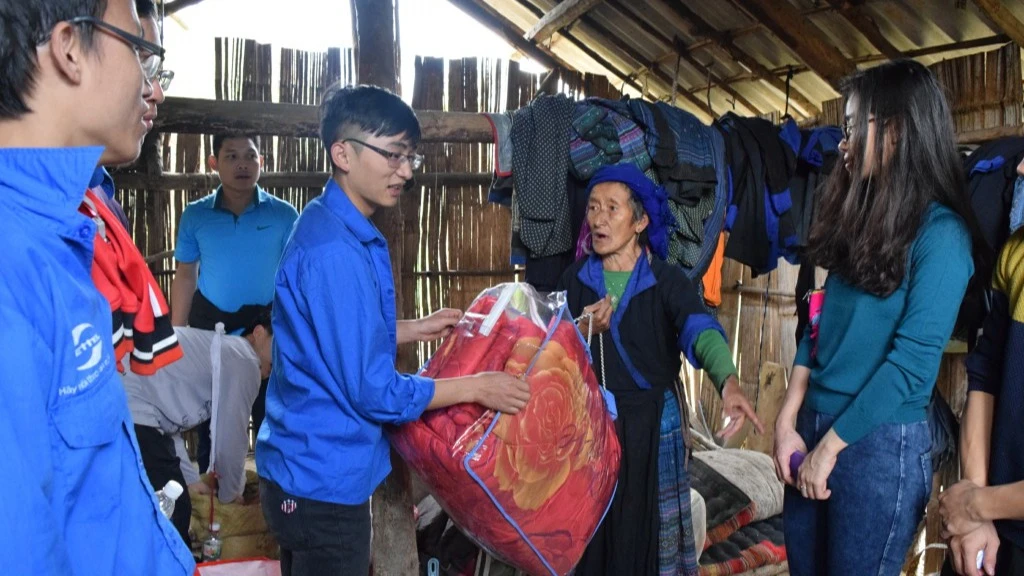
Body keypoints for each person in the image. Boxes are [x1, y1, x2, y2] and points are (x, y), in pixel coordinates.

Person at [255, 84, 531, 576]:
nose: (404, 171)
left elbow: (333, 336)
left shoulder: (327, 223)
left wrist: (411, 328)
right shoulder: (335, 251)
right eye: (393, 155)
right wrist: (478, 387)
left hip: (302, 468)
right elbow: (374, 392)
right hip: (321, 478)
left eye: (410, 158)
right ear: (342, 152)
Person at [0, 0, 194, 574]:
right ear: (68, 49)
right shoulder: (15, 264)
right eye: (140, 49)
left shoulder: (62, 233)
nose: (153, 87)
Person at [772, 59, 980, 576]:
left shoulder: (943, 236)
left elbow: (910, 368)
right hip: (814, 427)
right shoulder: (864, 220)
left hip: (878, 443)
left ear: (895, 131)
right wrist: (786, 420)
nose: (842, 143)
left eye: (850, 127)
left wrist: (829, 450)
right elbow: (817, 325)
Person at [558, 163, 764, 576]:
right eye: (594, 208)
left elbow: (699, 330)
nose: (598, 219)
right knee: (593, 533)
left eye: (612, 209)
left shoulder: (666, 280)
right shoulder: (577, 279)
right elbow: (550, 348)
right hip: (595, 425)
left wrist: (728, 382)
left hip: (654, 427)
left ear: (640, 221)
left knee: (650, 535)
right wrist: (582, 327)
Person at [170, 132, 299, 472]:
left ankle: (275, 497)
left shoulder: (285, 215)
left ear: (262, 163)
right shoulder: (196, 216)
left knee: (272, 417)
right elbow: (185, 275)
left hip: (269, 335)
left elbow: (298, 276)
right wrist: (175, 336)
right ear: (213, 163)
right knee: (215, 422)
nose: (242, 164)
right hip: (213, 333)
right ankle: (218, 500)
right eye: (231, 156)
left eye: (250, 156)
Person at [124, 313, 273, 547]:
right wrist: (231, 496)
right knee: (174, 510)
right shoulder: (245, 359)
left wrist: (191, 479)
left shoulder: (223, 354)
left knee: (169, 501)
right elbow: (230, 439)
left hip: (135, 400)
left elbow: (168, 425)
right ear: (259, 333)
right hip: (132, 399)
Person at [938, 212, 1024, 575]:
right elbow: (985, 374)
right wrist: (973, 507)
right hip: (992, 534)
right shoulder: (1017, 250)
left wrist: (979, 505)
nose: (1020, 167)